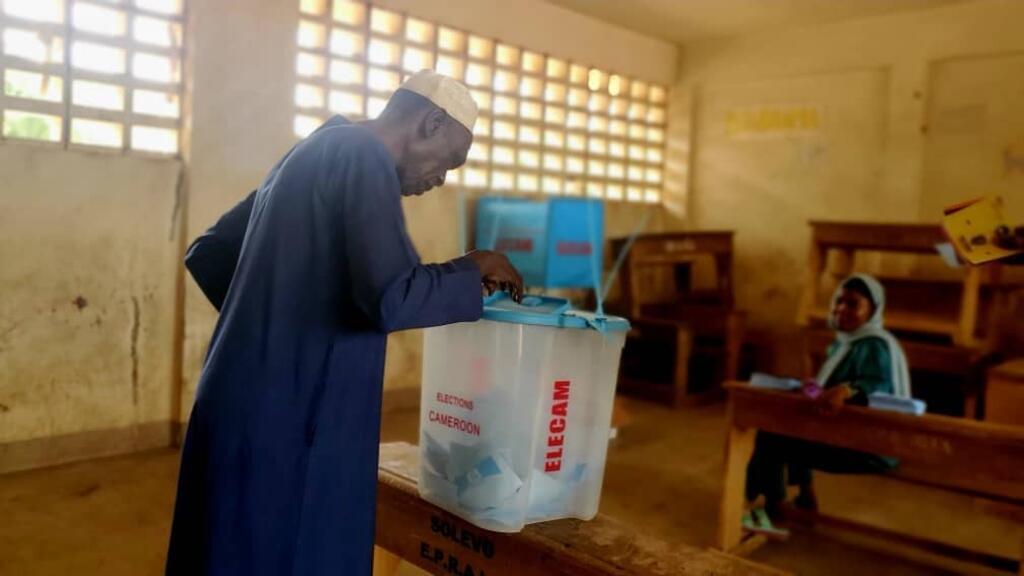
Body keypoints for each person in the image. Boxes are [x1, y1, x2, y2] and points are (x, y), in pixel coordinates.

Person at [166, 71, 524, 576]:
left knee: (222, 551)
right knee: (293, 551)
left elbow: (210, 254)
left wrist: (283, 330)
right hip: (293, 426)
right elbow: (390, 297)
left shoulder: (314, 149)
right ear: (432, 122)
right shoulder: (364, 156)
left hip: (236, 406)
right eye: (450, 161)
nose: (442, 178)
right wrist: (471, 269)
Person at [742, 274, 911, 538]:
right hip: (845, 435)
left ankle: (774, 508)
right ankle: (805, 500)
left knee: (771, 437)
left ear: (873, 310)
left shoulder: (875, 345)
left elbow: (879, 387)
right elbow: (829, 391)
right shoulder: (844, 343)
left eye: (853, 304)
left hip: (871, 446)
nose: (842, 308)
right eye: (839, 301)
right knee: (795, 423)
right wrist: (810, 388)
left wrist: (846, 389)